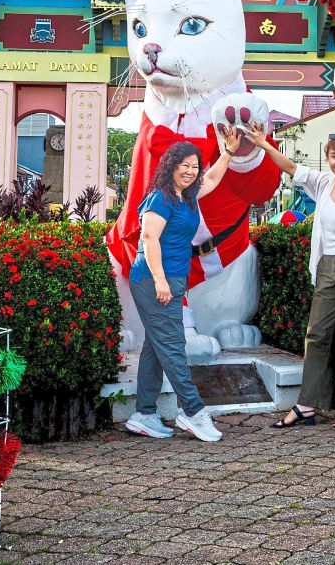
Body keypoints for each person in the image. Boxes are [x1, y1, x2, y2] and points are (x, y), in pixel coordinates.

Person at [246, 126, 335, 429]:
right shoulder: (324, 184)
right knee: (317, 335)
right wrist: (264, 144)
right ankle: (306, 405)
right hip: (325, 266)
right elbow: (292, 169)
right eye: (334, 156)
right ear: (328, 159)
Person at [124, 129, 242, 443]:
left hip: (172, 281)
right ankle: (193, 411)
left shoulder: (186, 197)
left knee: (156, 346)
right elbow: (148, 238)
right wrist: (161, 281)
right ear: (171, 165)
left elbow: (213, 180)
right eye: (184, 165)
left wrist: (227, 152)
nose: (190, 171)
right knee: (174, 348)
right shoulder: (161, 197)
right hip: (152, 280)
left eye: (194, 166)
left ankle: (144, 413)